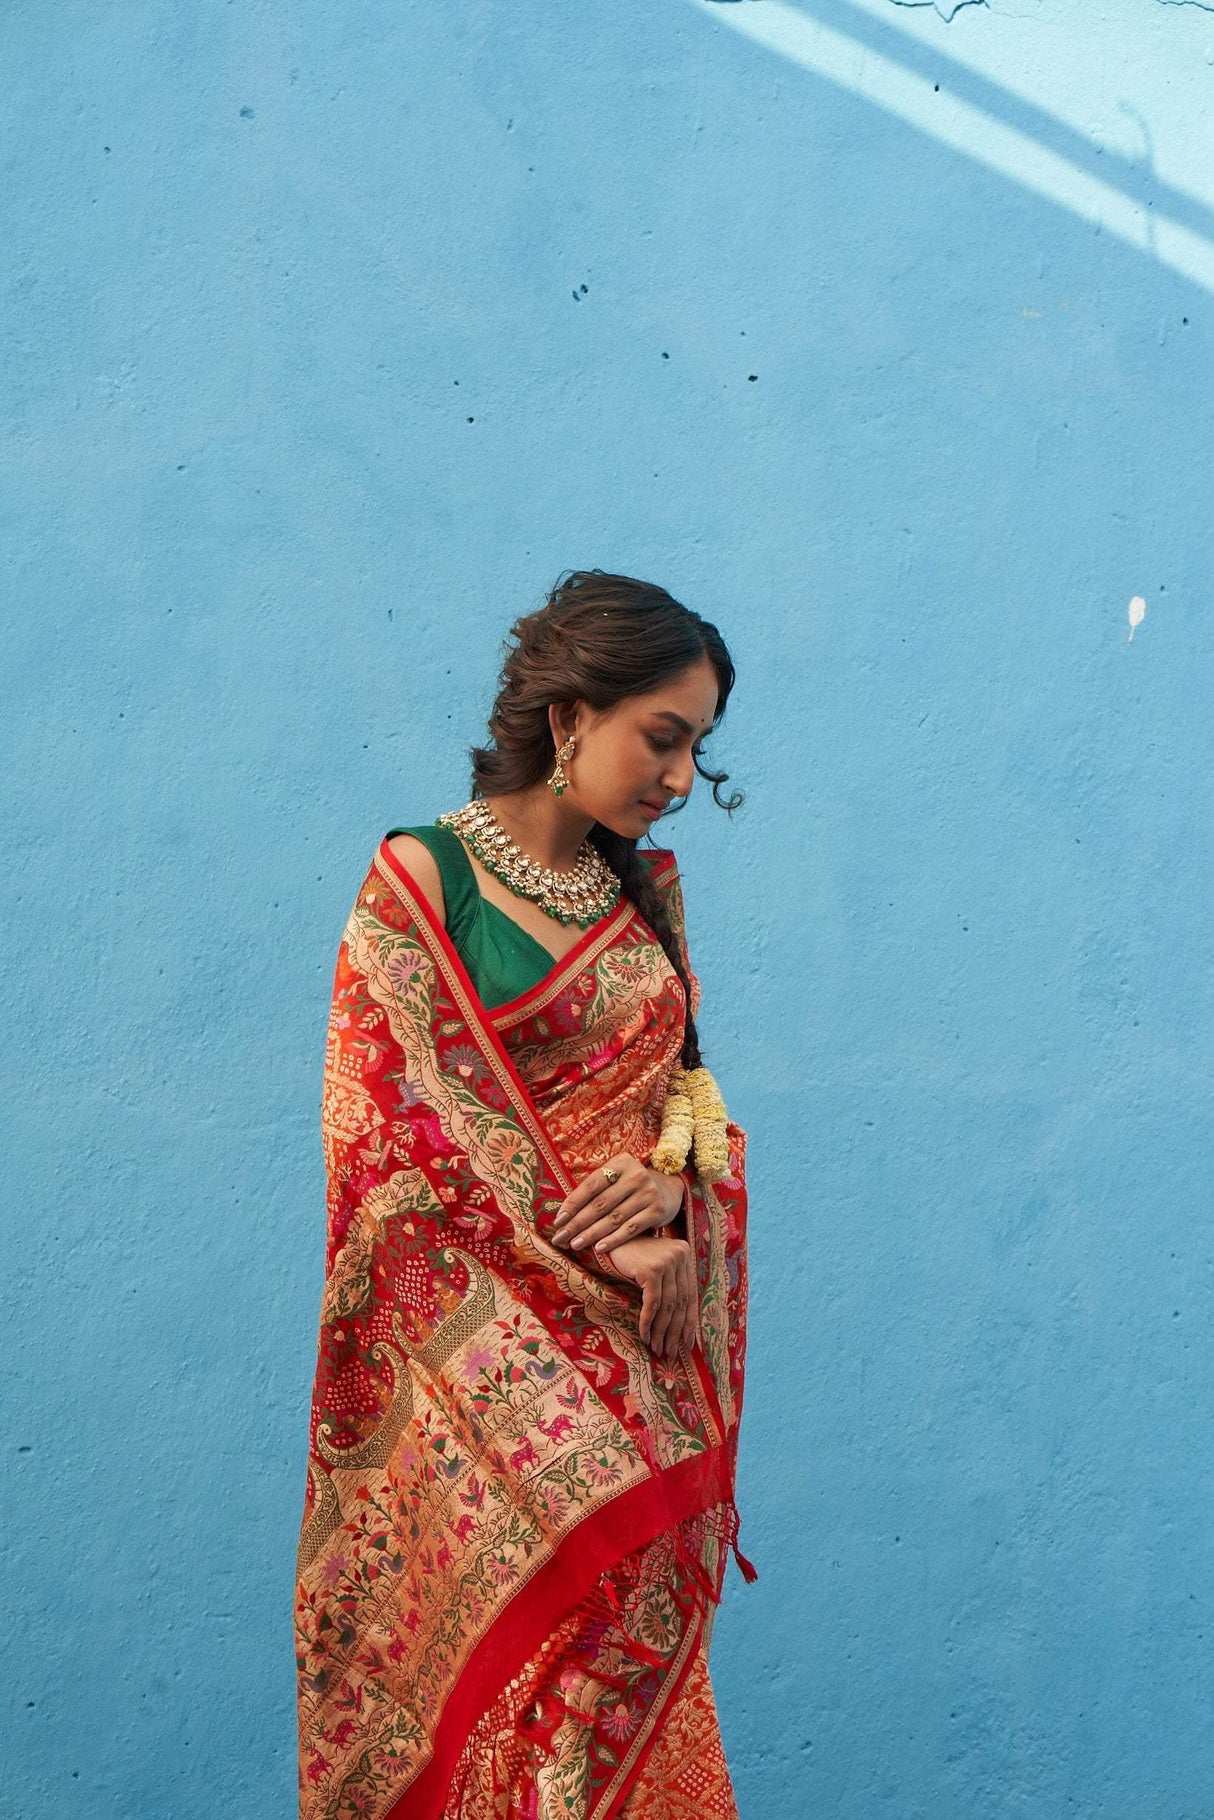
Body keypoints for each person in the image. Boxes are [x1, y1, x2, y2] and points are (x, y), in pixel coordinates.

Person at [295, 570, 754, 1820]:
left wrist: (669, 1199)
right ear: (566, 717)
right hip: (481, 1393)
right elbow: (391, 1146)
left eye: (697, 747)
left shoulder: (639, 900)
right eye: (660, 735)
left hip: (643, 1378)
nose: (676, 774)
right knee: (524, 1701)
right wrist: (609, 1253)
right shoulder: (420, 878)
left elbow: (692, 1116)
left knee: (621, 1690)